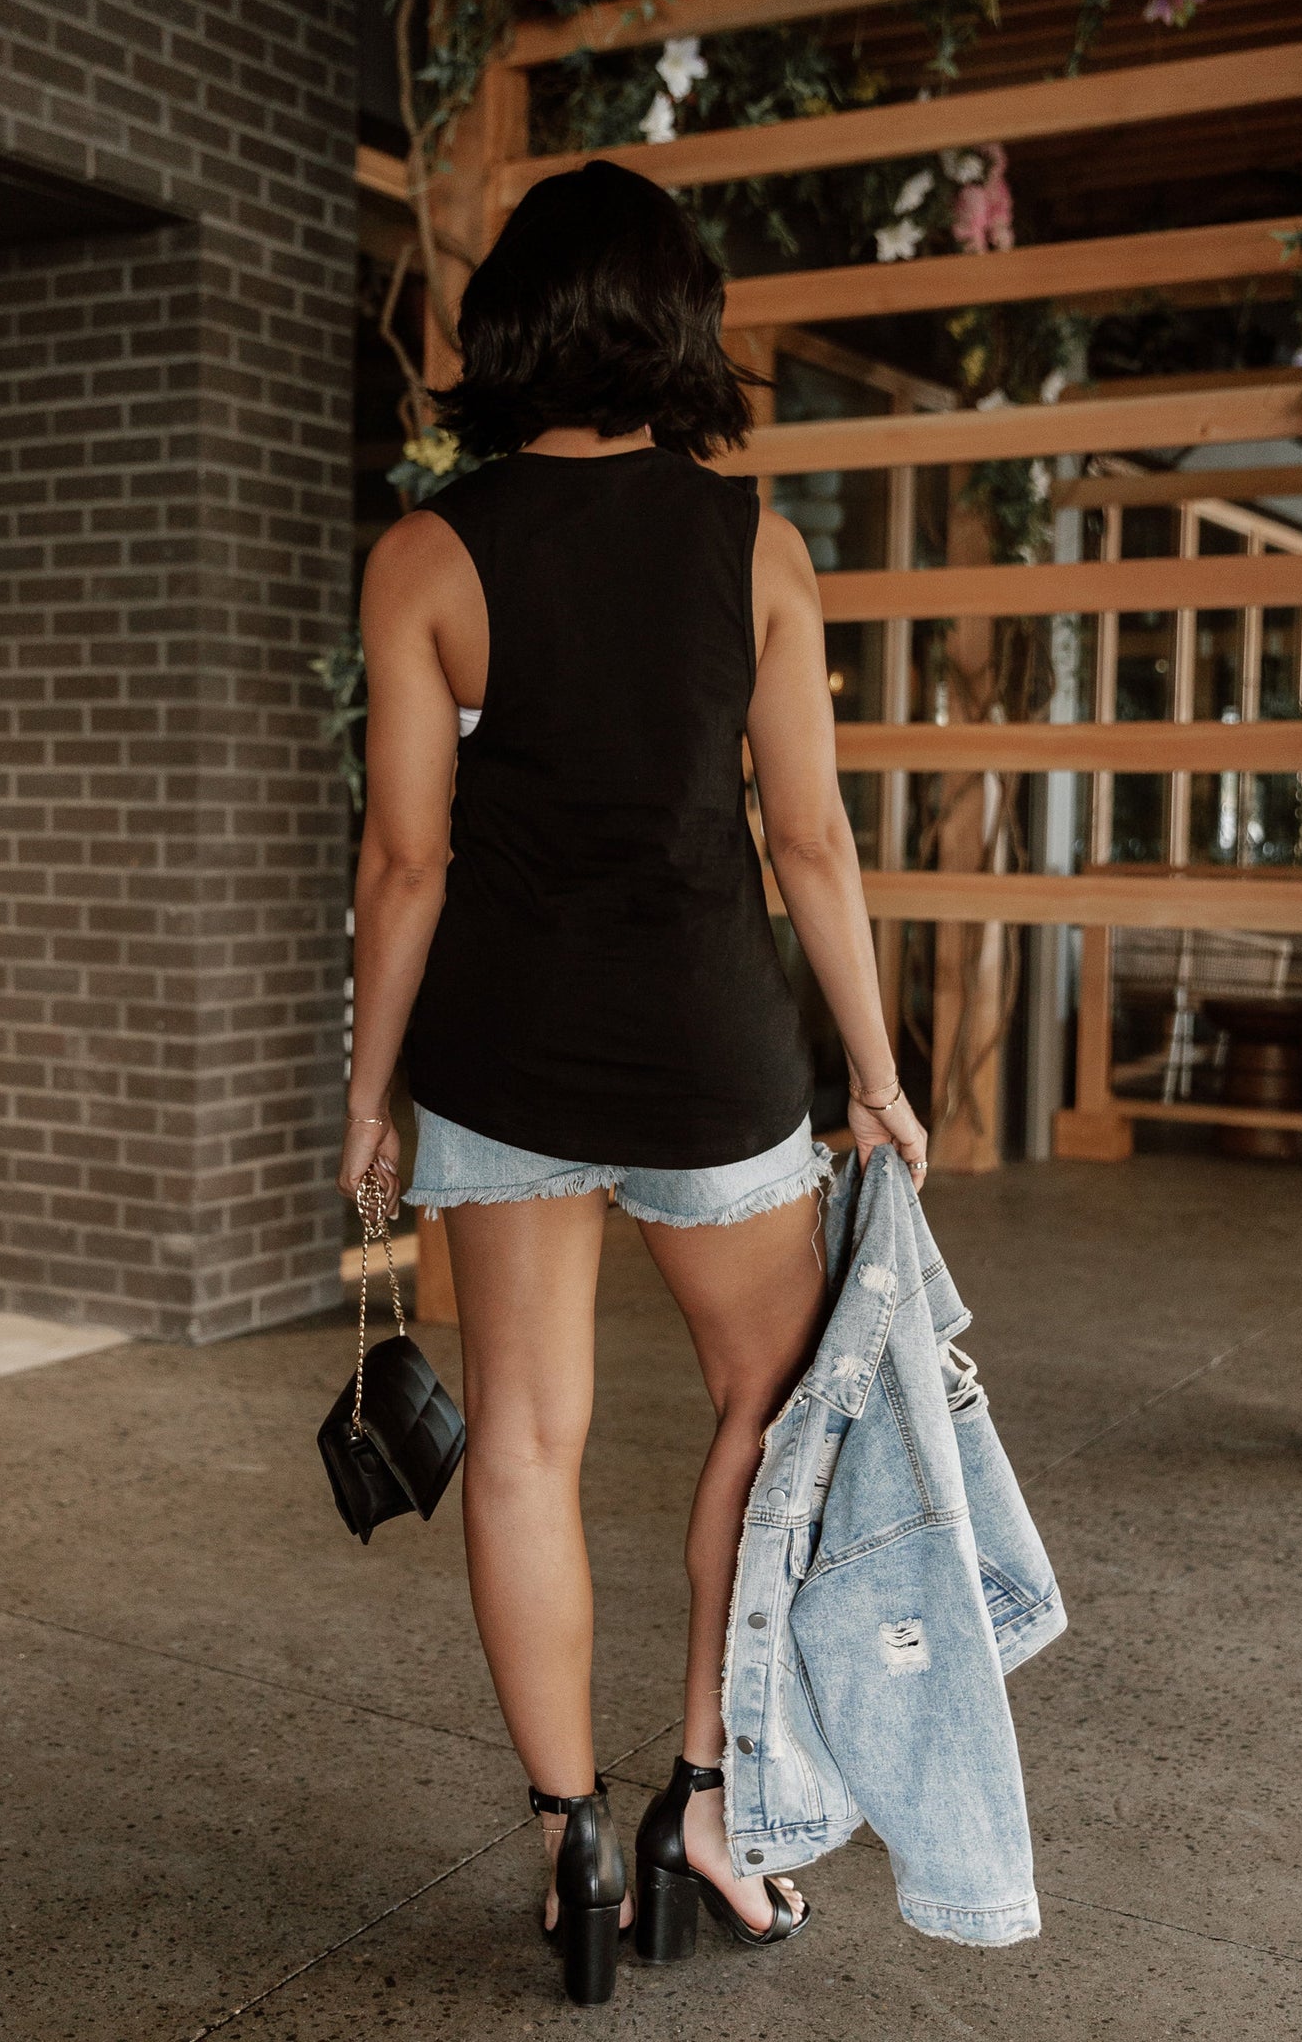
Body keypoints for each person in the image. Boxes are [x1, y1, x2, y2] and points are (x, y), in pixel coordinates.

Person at [337, 157, 928, 2006]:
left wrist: (367, 1094)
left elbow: (405, 864)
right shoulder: (755, 548)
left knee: (526, 1440)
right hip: (710, 1051)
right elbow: (810, 841)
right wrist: (876, 1075)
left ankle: (568, 1846)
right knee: (769, 1406)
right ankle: (708, 1807)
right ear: (680, 324)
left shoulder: (427, 555)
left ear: (509, 321)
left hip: (502, 1055)